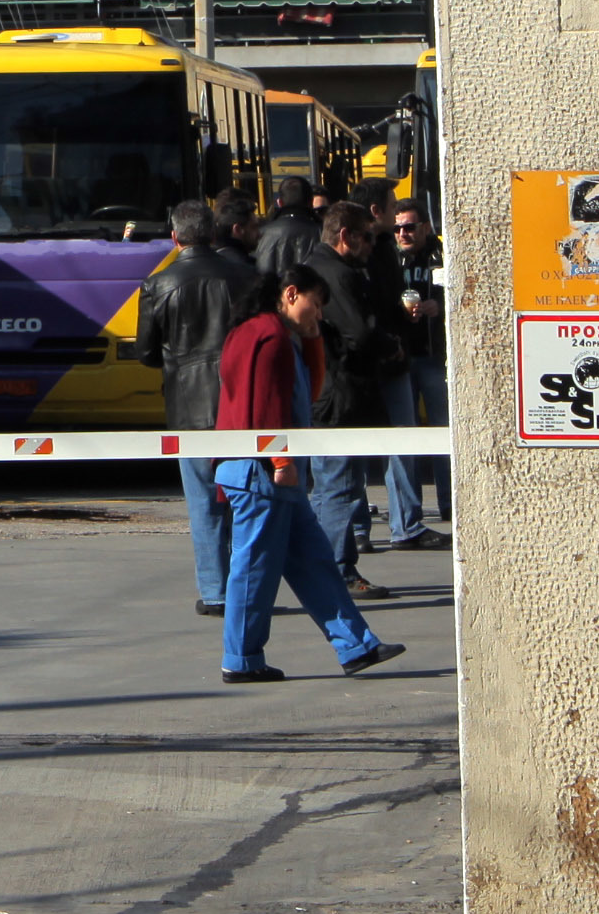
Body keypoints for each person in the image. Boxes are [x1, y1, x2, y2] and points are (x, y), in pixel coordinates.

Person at [209, 264, 406, 685]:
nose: (319, 315)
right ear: (291, 294)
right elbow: (267, 406)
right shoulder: (272, 336)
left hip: (265, 472)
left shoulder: (257, 331)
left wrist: (313, 340)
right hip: (266, 473)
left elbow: (303, 395)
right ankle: (240, 659)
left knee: (314, 562)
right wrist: (281, 464)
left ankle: (357, 646)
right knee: (255, 569)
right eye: (315, 305)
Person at [135, 195, 261, 620]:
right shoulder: (246, 277)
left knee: (203, 501)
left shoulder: (158, 284)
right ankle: (247, 586)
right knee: (244, 498)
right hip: (240, 403)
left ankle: (215, 591)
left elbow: (146, 353)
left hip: (188, 407)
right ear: (212, 233)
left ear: (175, 237)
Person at [300, 202, 408, 589]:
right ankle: (337, 570)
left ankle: (327, 568)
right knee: (339, 486)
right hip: (341, 394)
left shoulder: (316, 266)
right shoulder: (337, 274)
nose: (372, 245)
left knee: (331, 485)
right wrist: (390, 346)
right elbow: (359, 333)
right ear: (345, 235)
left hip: (328, 391)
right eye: (367, 236)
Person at [388, 208, 452, 538]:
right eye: (398, 228)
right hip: (400, 357)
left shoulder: (442, 254)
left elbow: (463, 290)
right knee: (403, 437)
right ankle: (406, 518)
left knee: (445, 432)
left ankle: (451, 503)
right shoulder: (387, 257)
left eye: (410, 227)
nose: (403, 233)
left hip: (433, 355)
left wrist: (439, 306)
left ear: (425, 227)